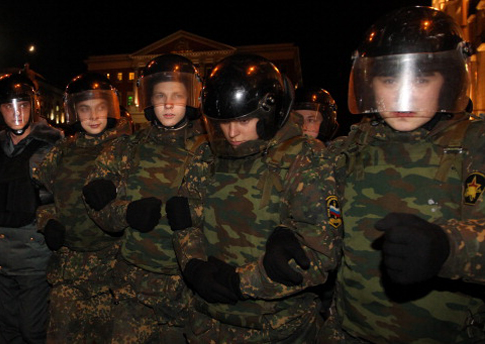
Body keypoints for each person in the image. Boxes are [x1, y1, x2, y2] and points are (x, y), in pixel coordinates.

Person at [318, 6, 485, 343]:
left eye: (421, 78)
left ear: (448, 80)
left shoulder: (475, 143)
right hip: (349, 331)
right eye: (388, 79)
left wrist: (448, 248)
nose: (400, 94)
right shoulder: (350, 148)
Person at [167, 53, 340, 343]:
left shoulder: (305, 158)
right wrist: (194, 266)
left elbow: (321, 252)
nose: (232, 132)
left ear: (269, 112)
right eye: (223, 122)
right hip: (208, 324)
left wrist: (239, 281)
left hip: (279, 328)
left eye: (244, 119)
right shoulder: (206, 156)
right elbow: (186, 219)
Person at [81, 53, 206, 343]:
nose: (168, 103)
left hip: (188, 289)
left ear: (191, 97)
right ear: (148, 99)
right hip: (134, 287)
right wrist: (125, 213)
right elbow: (95, 201)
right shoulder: (127, 148)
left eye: (177, 94)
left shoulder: (210, 148)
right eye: (160, 95)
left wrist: (194, 214)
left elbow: (228, 210)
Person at [33, 72, 133, 343]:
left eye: (100, 108)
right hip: (68, 266)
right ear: (74, 112)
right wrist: (47, 221)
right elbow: (40, 194)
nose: (93, 116)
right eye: (84, 109)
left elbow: (136, 201)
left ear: (111, 108)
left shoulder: (126, 150)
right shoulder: (63, 149)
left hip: (110, 267)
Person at [0, 72, 62, 344]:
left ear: (33, 106)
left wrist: (45, 196)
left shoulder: (53, 144)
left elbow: (68, 192)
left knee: (32, 328)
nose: (17, 113)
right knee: (8, 325)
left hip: (34, 250)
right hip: (0, 250)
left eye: (23, 105)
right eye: (8, 106)